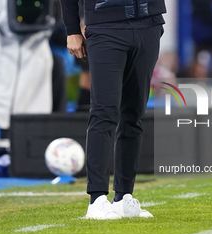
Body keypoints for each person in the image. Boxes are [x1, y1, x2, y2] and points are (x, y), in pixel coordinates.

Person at [59, 0, 166, 220]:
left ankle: (124, 196)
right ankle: (97, 199)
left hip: (149, 23)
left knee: (134, 115)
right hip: (106, 26)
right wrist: (72, 30)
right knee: (104, 112)